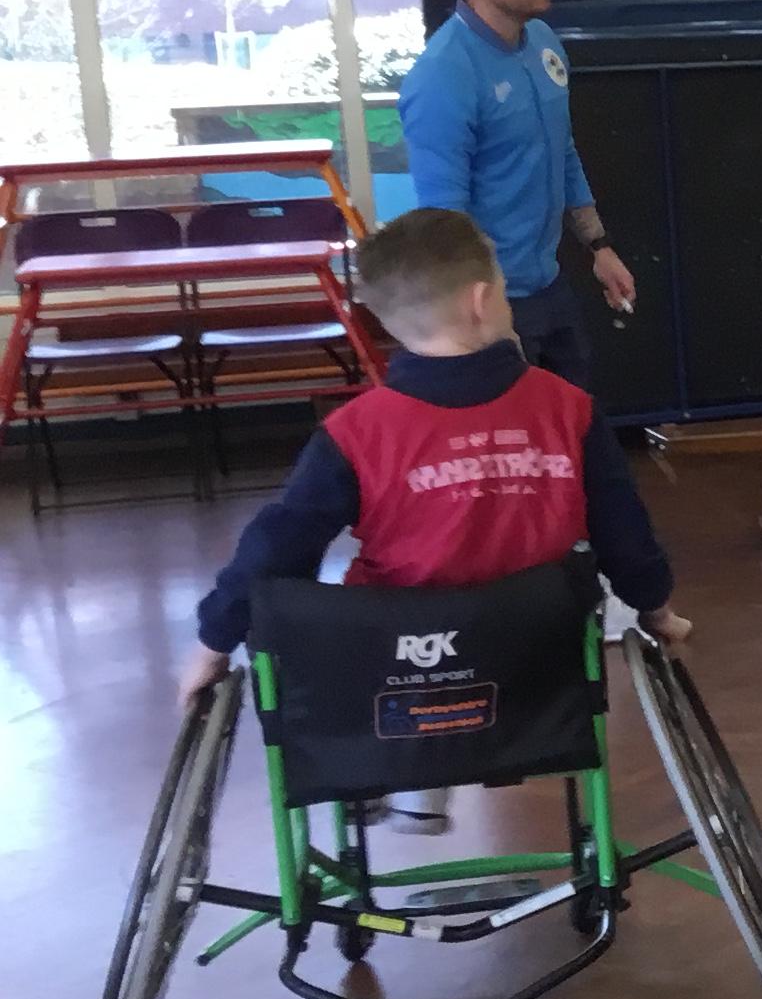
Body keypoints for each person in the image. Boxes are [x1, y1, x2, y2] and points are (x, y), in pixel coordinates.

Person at [178, 211, 685, 728]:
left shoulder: (353, 433)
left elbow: (276, 548)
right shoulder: (570, 410)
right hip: (540, 672)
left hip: (401, 677)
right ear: (481, 300)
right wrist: (655, 609)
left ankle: (416, 769)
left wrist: (213, 644)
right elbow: (623, 532)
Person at [399, 0, 636, 389]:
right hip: (492, 303)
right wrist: (485, 317)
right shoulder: (443, 75)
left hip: (550, 284)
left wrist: (600, 247)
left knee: (575, 421)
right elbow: (444, 218)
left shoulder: (543, 43)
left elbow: (562, 150)